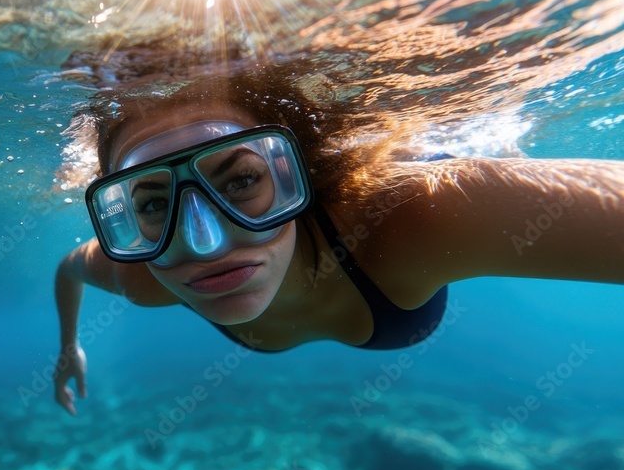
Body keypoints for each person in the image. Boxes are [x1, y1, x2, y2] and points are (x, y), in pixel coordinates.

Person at [52, 63, 624, 415]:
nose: (205, 244)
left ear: (294, 174)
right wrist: (69, 347)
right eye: (154, 204)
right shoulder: (141, 272)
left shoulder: (413, 215)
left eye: (242, 180)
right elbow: (68, 270)